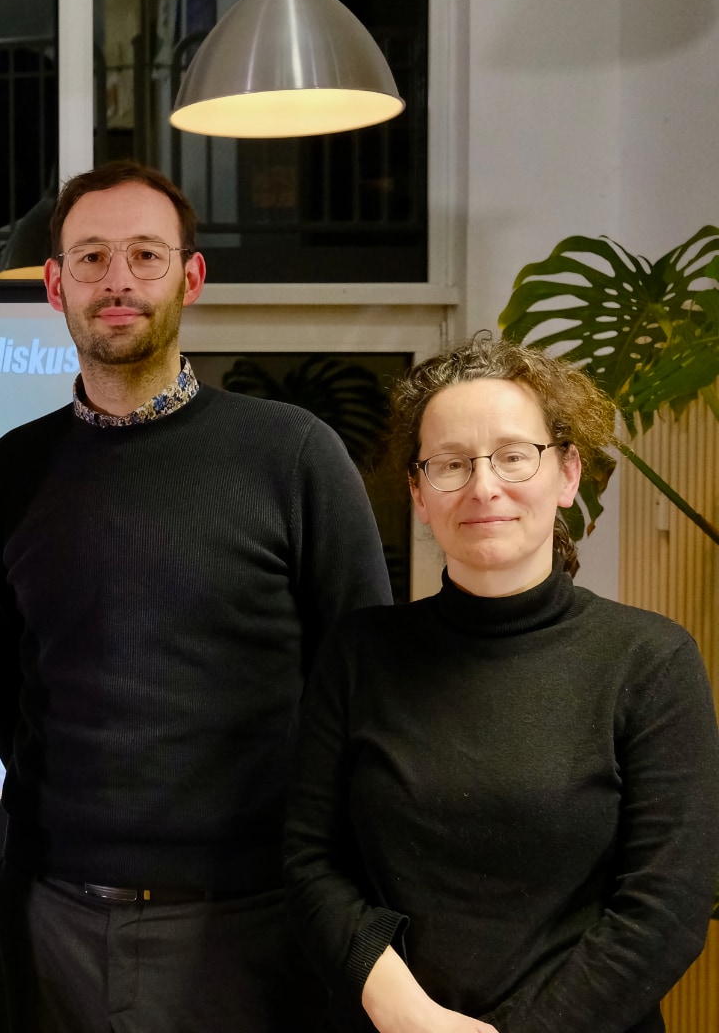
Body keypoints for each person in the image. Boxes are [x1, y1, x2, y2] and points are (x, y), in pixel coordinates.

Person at [0, 160, 393, 1032]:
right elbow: (10, 692)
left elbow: (365, 692)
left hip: (249, 923)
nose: (116, 279)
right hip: (53, 917)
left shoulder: (293, 456)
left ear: (190, 278)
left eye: (145, 255)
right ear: (54, 285)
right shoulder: (11, 471)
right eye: (89, 258)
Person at [284, 336, 719, 1033]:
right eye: (451, 464)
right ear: (419, 494)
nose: (484, 486)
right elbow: (308, 862)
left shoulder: (651, 661)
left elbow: (668, 906)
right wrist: (407, 1014)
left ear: (568, 474)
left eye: (514, 456)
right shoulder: (359, 654)